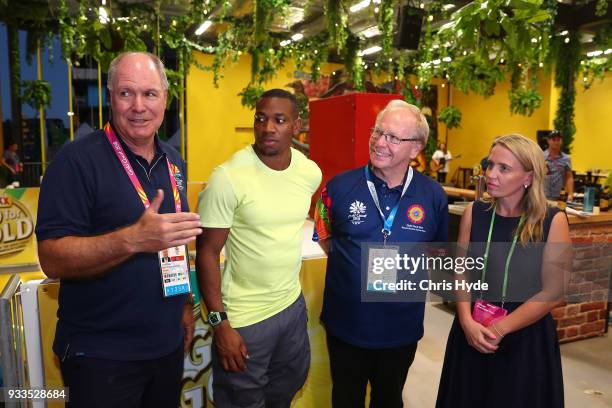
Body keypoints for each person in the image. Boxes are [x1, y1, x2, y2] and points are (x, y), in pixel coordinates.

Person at [35, 52, 202, 407]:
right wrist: (132, 240)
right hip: (100, 355)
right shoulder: (75, 161)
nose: (139, 106)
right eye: (126, 93)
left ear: (165, 99)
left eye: (150, 94)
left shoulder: (173, 161)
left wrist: (186, 304)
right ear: (110, 96)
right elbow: (51, 258)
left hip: (165, 345)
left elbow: (172, 238)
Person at [313, 100, 448, 408]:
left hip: (401, 330)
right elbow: (324, 237)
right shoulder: (338, 186)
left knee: (389, 400)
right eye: (378, 132)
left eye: (392, 137)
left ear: (415, 149)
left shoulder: (433, 196)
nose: (379, 142)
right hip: (345, 326)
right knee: (345, 398)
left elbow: (436, 255)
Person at [196, 88, 322, 407]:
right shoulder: (228, 178)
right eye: (261, 118)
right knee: (242, 400)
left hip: (291, 308)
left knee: (286, 389)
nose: (268, 128)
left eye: (279, 120)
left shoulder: (309, 173)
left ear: (297, 126)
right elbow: (207, 254)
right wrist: (219, 324)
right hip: (245, 318)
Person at [436, 134, 570, 408]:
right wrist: (466, 321)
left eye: (503, 168)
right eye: (490, 165)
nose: (491, 175)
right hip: (471, 331)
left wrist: (499, 328)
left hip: (524, 339)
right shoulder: (475, 212)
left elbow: (554, 290)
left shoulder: (552, 220)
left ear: (528, 177)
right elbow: (461, 269)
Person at [543, 130, 574, 200]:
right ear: (548, 141)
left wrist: (570, 194)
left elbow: (569, 177)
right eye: (553, 140)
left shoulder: (566, 158)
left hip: (560, 196)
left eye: (558, 140)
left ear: (561, 141)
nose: (556, 142)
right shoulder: (541, 156)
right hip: (543, 195)